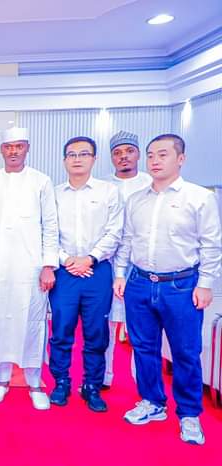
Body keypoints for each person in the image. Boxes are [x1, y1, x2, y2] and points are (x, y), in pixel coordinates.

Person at [114, 134, 221, 445]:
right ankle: (152, 402)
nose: (155, 161)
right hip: (139, 283)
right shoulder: (136, 200)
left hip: (182, 286)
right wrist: (120, 274)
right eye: (151, 155)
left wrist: (205, 284)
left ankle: (189, 415)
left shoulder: (199, 198)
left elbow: (212, 245)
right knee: (144, 348)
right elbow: (126, 241)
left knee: (186, 352)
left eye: (163, 154)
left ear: (181, 159)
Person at [0, 127, 58, 410]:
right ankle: (2, 380)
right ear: (1, 150)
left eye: (19, 146)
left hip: (33, 266)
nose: (13, 151)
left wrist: (49, 265)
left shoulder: (41, 182)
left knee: (33, 321)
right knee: (0, 319)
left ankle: (35, 383)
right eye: (8, 147)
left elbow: (51, 226)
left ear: (27, 148)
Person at [48, 137, 123, 412]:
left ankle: (92, 385)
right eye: (71, 154)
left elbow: (115, 231)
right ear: (64, 160)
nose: (77, 159)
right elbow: (47, 232)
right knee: (61, 331)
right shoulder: (53, 193)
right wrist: (67, 259)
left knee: (96, 333)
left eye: (83, 154)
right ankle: (61, 382)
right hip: (64, 271)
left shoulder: (108, 192)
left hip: (97, 270)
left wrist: (89, 258)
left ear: (94, 159)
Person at [104, 130, 152, 388]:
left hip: (141, 264)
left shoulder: (149, 184)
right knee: (106, 325)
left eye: (129, 151)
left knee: (141, 328)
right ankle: (104, 377)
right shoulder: (103, 185)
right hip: (108, 264)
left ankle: (140, 381)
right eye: (117, 152)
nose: (123, 157)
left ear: (138, 154)